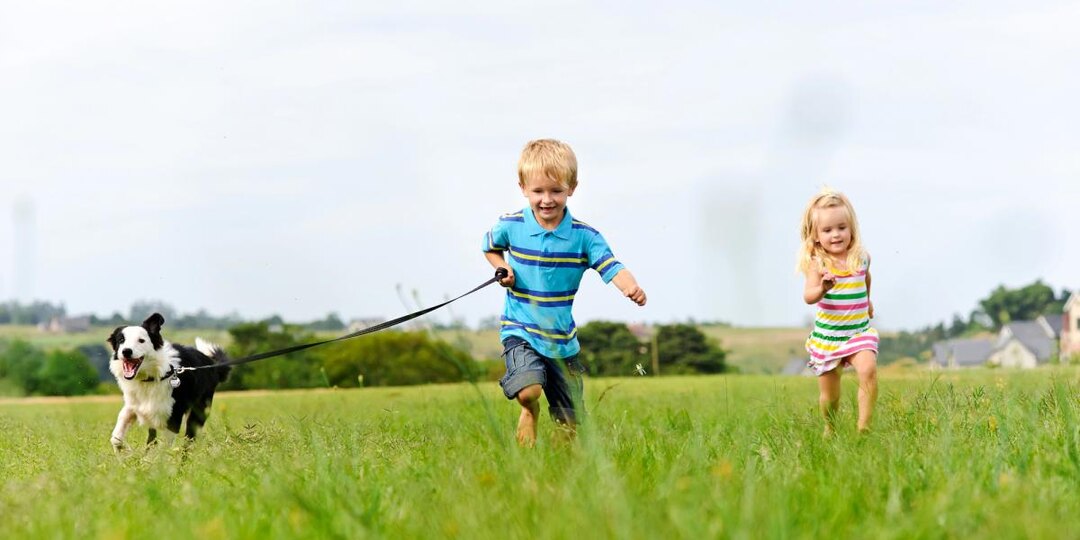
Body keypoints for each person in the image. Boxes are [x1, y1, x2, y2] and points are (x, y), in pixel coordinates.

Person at [482, 138, 646, 446]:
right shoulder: (511, 225)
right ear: (523, 188)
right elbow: (489, 246)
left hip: (561, 340)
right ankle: (529, 410)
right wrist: (503, 267)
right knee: (528, 390)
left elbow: (611, 265)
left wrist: (630, 286)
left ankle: (559, 466)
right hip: (520, 328)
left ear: (572, 188)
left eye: (556, 191)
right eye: (538, 191)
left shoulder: (585, 237)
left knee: (569, 423)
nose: (547, 200)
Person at [797, 188, 878, 435]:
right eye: (827, 230)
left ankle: (864, 428)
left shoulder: (861, 258)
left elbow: (865, 278)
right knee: (829, 397)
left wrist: (868, 301)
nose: (836, 235)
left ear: (851, 228)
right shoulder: (818, 264)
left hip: (858, 332)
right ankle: (830, 427)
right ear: (816, 236)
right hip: (829, 338)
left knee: (868, 369)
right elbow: (808, 296)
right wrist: (823, 288)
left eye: (841, 227)